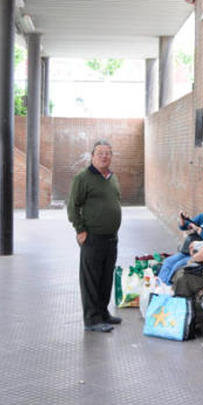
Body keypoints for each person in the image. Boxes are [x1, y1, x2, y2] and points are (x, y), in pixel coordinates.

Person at [67, 140, 123, 332]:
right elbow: (72, 206)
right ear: (92, 156)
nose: (104, 156)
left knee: (106, 278)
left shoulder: (112, 178)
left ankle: (103, 312)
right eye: (100, 153)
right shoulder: (82, 178)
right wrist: (80, 229)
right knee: (91, 280)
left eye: (108, 153)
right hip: (92, 238)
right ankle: (92, 319)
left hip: (111, 237)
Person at [156, 207, 203, 285]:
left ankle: (168, 286)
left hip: (199, 253)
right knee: (168, 261)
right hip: (187, 250)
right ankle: (160, 285)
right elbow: (185, 226)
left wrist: (198, 230)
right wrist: (183, 221)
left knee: (178, 265)